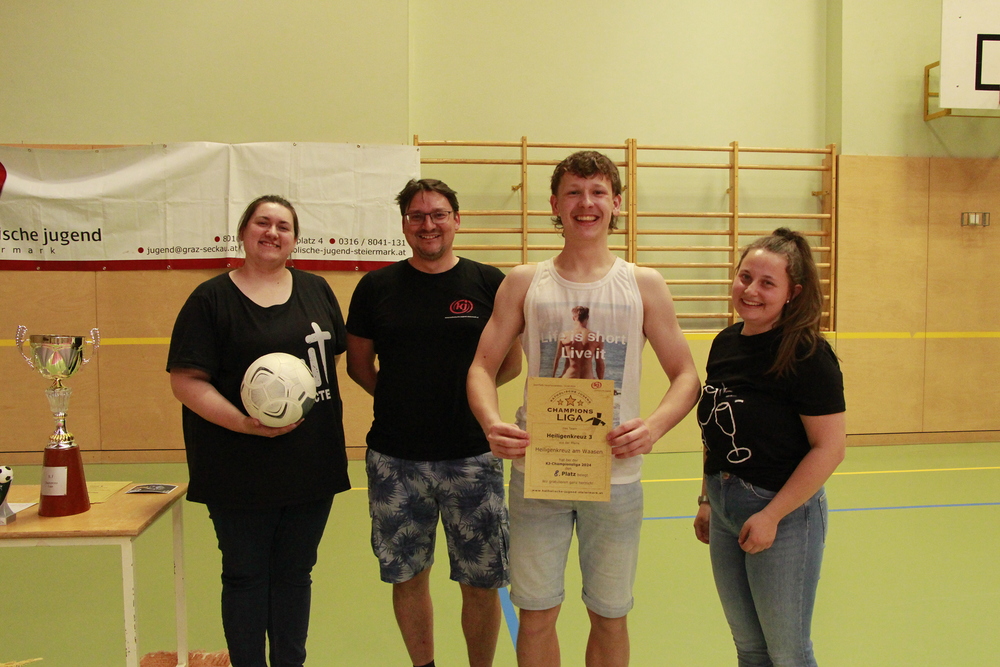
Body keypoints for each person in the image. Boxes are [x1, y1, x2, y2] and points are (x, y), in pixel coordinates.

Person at [467, 151, 701, 667]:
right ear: (555, 204)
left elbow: (686, 376)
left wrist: (653, 427)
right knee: (536, 615)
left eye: (597, 192)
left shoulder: (643, 284)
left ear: (616, 203)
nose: (586, 203)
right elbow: (482, 367)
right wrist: (492, 423)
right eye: (573, 192)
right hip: (539, 472)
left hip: (615, 476)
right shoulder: (525, 282)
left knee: (610, 615)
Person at [167, 195, 350, 667]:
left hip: (311, 462)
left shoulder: (317, 289)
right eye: (262, 223)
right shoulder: (210, 299)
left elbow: (326, 364)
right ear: (243, 232)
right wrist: (245, 424)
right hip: (237, 465)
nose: (272, 232)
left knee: (295, 574)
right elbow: (186, 381)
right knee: (246, 576)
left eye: (283, 226)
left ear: (295, 239)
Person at [345, 178, 522, 667]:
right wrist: (402, 398)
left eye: (439, 214)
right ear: (405, 224)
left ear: (456, 220)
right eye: (417, 216)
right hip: (395, 461)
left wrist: (466, 401)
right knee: (407, 577)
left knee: (481, 582)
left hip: (474, 457)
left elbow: (510, 363)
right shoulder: (375, 287)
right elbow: (358, 366)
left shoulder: (488, 282)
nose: (429, 224)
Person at [693, 228, 846, 666]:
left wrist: (771, 515)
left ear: (792, 293)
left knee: (787, 651)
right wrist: (706, 499)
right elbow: (715, 429)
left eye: (767, 283)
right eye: (745, 277)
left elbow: (829, 448)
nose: (750, 291)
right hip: (724, 505)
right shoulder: (725, 343)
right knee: (749, 648)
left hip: (782, 513)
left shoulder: (808, 354)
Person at [553, 306, 604, 379]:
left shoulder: (565, 335)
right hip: (587, 379)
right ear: (587, 317)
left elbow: (556, 359)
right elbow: (599, 364)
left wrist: (553, 377)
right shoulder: (596, 337)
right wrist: (601, 382)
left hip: (569, 377)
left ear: (573, 318)